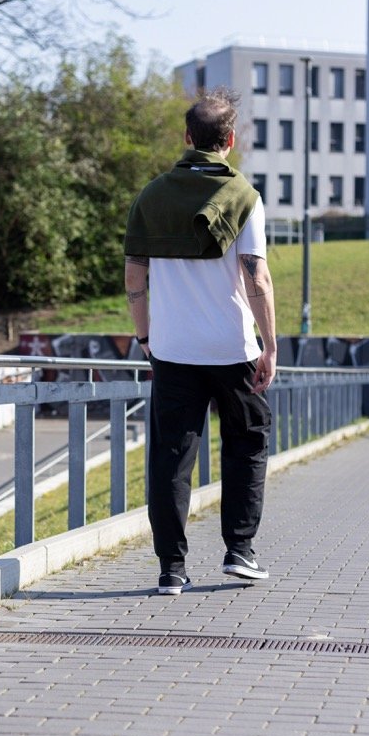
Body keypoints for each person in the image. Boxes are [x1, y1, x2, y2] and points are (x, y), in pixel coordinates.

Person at [123, 87, 277, 596]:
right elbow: (257, 278)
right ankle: (239, 551)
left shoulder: (150, 196)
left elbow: (134, 276)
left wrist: (145, 335)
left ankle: (171, 569)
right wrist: (270, 345)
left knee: (171, 458)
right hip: (234, 350)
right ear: (228, 140)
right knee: (247, 445)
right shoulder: (243, 197)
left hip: (173, 351)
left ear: (188, 138)